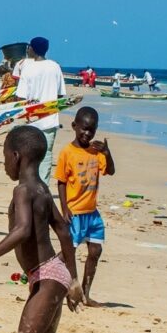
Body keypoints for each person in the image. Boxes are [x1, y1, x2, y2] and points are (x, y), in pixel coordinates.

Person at [0, 125, 84, 333]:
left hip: (47, 277)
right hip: (49, 275)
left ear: (16, 156)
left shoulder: (23, 190)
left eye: (5, 157)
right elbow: (63, 230)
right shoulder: (42, 188)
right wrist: (72, 279)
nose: (5, 163)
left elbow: (23, 229)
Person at [55, 107, 115, 308]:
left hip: (92, 214)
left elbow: (111, 172)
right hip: (75, 214)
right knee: (66, 255)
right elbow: (61, 182)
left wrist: (107, 152)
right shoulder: (67, 152)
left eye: (92, 130)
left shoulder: (96, 152)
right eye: (84, 129)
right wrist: (64, 208)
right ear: (74, 126)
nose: (87, 134)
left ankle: (86, 294)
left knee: (95, 251)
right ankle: (54, 283)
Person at [14, 37, 66, 184]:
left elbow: (21, 96)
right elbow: (61, 94)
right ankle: (43, 188)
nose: (28, 49)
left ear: (33, 49)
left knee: (29, 156)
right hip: (50, 120)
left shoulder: (28, 68)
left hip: (32, 121)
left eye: (29, 47)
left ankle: (27, 185)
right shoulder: (55, 66)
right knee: (46, 155)